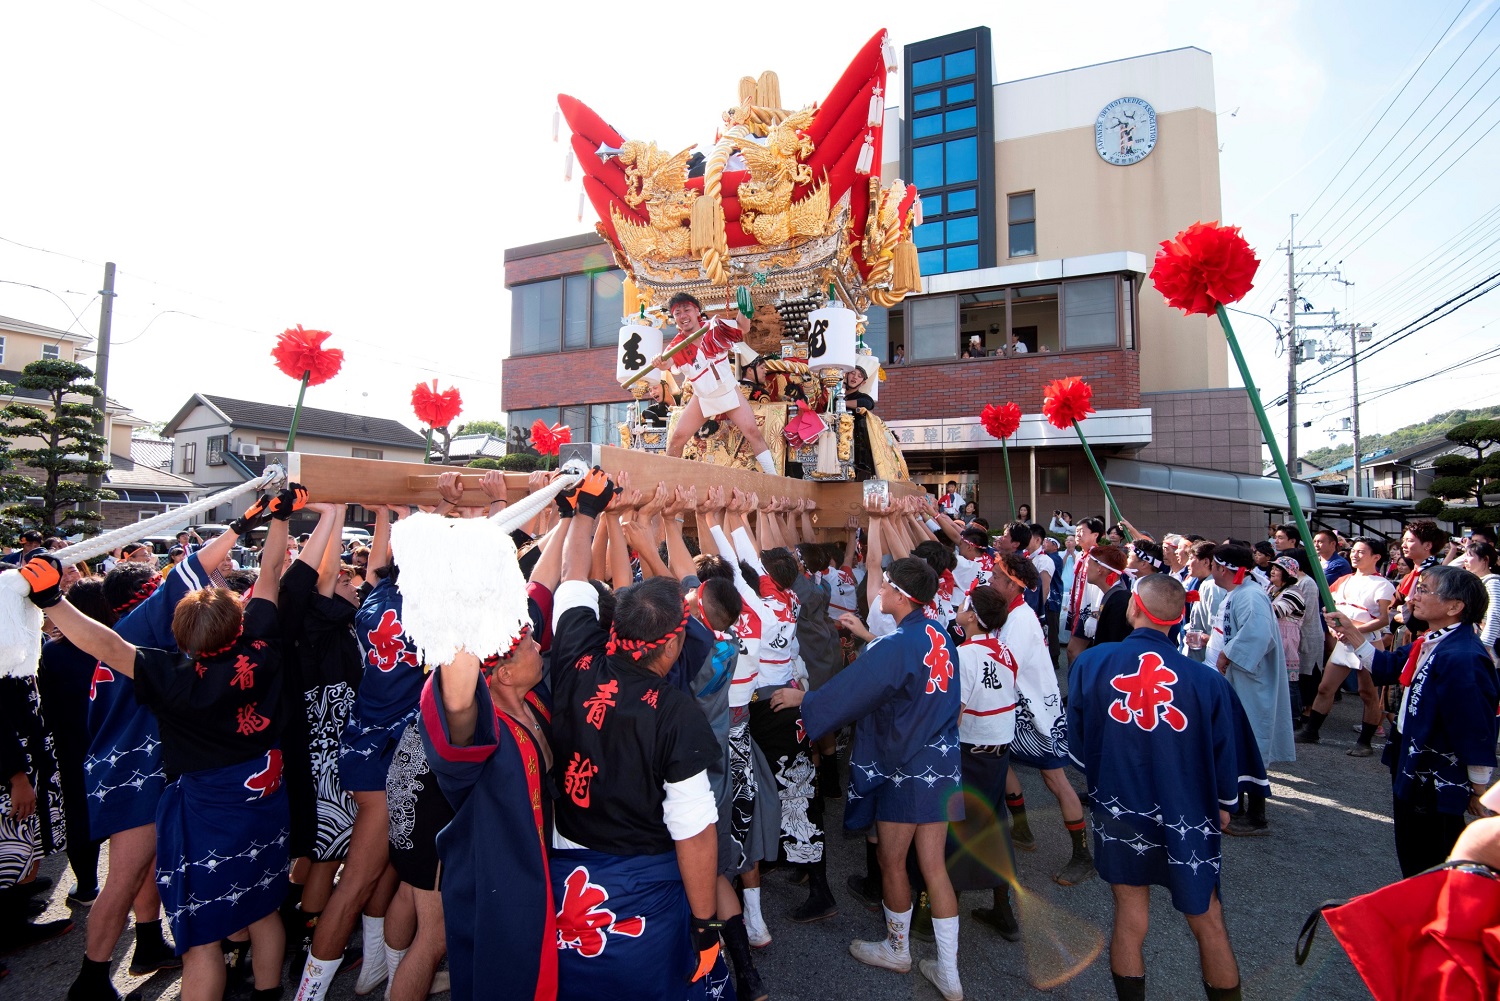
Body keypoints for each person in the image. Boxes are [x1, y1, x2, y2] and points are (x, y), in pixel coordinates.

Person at [21, 484, 306, 1001]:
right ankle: (106, 970)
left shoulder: (169, 673)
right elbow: (267, 578)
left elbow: (104, 644)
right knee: (255, 904)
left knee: (191, 927)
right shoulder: (262, 650)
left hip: (186, 790)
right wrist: (275, 520)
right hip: (255, 794)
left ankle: (133, 951)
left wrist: (51, 601)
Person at [548, 468, 726, 1001]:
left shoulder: (576, 653)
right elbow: (693, 829)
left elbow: (573, 580)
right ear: (670, 648)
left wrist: (586, 512)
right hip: (642, 878)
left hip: (566, 864)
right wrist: (705, 921)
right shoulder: (675, 711)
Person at [771, 556, 965, 1001]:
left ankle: (898, 950)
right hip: (943, 761)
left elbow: (855, 689)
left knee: (892, 861)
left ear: (900, 594)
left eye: (886, 586)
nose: (879, 591)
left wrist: (805, 698)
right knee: (933, 865)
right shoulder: (938, 632)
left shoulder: (897, 644)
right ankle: (949, 972)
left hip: (907, 768)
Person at [1067, 574, 1259, 1001]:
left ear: (1134, 607)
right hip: (1188, 811)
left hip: (1119, 806)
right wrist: (1225, 804)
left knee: (1130, 913)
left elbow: (1079, 746)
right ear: (1178, 619)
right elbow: (1228, 763)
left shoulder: (1092, 663)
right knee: (1207, 917)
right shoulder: (1207, 682)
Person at [1325, 565, 1500, 876]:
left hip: (1435, 768)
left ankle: (1435, 916)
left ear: (1454, 606)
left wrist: (1477, 787)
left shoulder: (1463, 656)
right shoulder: (1436, 640)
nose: (1414, 596)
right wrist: (1351, 631)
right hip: (1414, 754)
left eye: (1425, 590)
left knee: (1430, 853)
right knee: (1413, 845)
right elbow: (1387, 666)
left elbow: (1475, 726)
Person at [1211, 545, 1295, 835]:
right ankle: (1241, 807)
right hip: (1244, 678)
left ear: (1223, 568)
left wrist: (1227, 654)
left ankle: (1257, 815)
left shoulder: (1250, 595)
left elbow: (1258, 635)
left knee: (1250, 742)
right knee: (1240, 741)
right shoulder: (1243, 592)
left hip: (1252, 680)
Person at [656, 293, 776, 474]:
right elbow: (667, 363)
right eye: (677, 313)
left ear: (697, 311)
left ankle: (774, 477)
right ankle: (669, 479)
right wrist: (659, 362)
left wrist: (745, 311)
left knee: (752, 432)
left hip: (728, 390)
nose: (683, 316)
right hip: (703, 397)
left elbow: (742, 327)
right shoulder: (675, 345)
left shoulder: (714, 327)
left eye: (686, 310)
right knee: (677, 438)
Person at [1298, 537, 1394, 755]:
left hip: (1367, 642)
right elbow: (1329, 609)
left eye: (1362, 552)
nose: (1355, 555)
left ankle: (1365, 742)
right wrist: (1333, 628)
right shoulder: (1344, 579)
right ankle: (1311, 731)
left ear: (1376, 557)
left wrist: (1352, 631)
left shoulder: (1383, 584)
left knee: (1368, 693)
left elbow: (1383, 619)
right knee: (1325, 687)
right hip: (1343, 641)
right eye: (1354, 551)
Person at [1461, 540, 1500, 660]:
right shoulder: (1476, 583)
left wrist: (1485, 645)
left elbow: (1495, 615)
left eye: (1470, 556)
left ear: (1485, 559)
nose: (1465, 560)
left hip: (1493, 643)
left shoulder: (1492, 582)